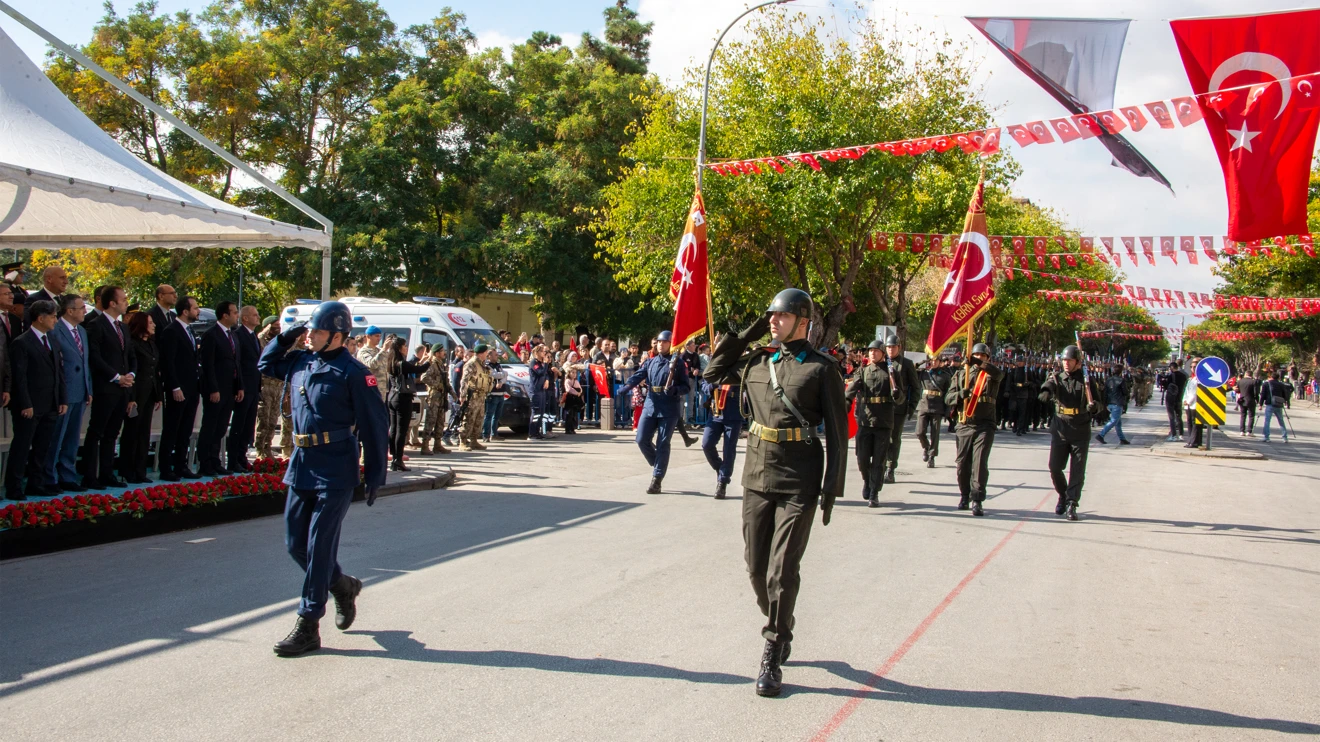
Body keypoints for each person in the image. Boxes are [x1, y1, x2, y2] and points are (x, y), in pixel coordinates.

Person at [703, 288, 847, 698]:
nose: (773, 321)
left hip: (799, 477)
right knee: (754, 566)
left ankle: (772, 647)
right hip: (757, 473)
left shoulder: (822, 370)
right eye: (771, 316)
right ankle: (782, 622)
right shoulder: (758, 360)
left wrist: (831, 490)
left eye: (782, 317)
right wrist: (747, 334)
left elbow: (837, 435)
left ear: (804, 323)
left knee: (781, 569)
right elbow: (714, 371)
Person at [259, 301, 388, 657]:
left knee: (318, 547)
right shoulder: (302, 361)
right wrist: (287, 334)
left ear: (336, 336)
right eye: (309, 331)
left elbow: (376, 426)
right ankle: (342, 584)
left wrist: (375, 473)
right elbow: (265, 363)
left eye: (316, 331)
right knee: (294, 544)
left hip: (336, 468)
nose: (310, 336)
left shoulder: (355, 373)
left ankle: (309, 622)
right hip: (302, 464)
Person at [5, 299, 65, 500]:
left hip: (50, 403)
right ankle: (14, 486)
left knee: (43, 447)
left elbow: (59, 372)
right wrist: (26, 403)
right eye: (53, 316)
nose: (56, 320)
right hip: (30, 405)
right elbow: (19, 377)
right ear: (41, 318)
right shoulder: (22, 342)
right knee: (22, 446)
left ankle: (35, 483)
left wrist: (61, 399)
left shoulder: (53, 341)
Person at [618, 329, 690, 495]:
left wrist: (675, 389)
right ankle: (659, 462)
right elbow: (638, 375)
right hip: (651, 403)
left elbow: (686, 386)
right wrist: (627, 386)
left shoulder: (678, 363)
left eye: (664, 342)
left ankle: (657, 479)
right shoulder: (650, 362)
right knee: (641, 439)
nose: (660, 345)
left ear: (671, 344)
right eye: (658, 342)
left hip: (669, 407)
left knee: (663, 443)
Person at [1037, 346, 1103, 521]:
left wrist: (1094, 407)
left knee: (1077, 470)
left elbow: (1099, 404)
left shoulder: (1087, 381)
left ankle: (1072, 503)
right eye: (1064, 361)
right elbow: (1050, 384)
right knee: (1054, 467)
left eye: (1070, 361)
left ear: (1078, 363)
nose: (1066, 364)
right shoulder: (1058, 378)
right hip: (1060, 427)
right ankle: (1063, 494)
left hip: (1080, 428)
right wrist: (1045, 391)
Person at [82, 286, 136, 489]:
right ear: (112, 303)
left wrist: (131, 374)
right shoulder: (96, 325)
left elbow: (130, 355)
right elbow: (94, 356)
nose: (126, 302)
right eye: (123, 299)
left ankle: (106, 473)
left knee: (113, 433)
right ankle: (90, 475)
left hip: (123, 388)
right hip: (106, 386)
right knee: (97, 431)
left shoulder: (123, 327)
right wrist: (115, 377)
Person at [945, 343, 1005, 516]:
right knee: (962, 465)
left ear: (987, 358)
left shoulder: (990, 375)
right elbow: (948, 398)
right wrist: (959, 395)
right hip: (964, 424)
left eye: (982, 356)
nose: (979, 357)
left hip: (985, 424)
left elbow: (999, 374)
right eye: (976, 355)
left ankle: (977, 499)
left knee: (979, 464)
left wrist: (979, 364)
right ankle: (965, 495)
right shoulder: (960, 374)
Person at [46, 294, 93, 492]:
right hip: (63, 392)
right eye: (81, 307)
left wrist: (88, 388)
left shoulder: (81, 331)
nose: (85, 311)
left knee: (72, 439)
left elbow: (85, 363)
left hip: (80, 391)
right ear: (70, 310)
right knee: (56, 437)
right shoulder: (55, 330)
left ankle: (68, 476)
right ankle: (50, 478)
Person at [846, 340, 898, 508]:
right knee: (862, 458)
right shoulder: (863, 371)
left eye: (876, 351)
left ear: (883, 353)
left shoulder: (891, 372)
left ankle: (874, 492)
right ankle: (867, 481)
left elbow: (901, 396)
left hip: (883, 421)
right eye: (870, 351)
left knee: (879, 460)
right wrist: (846, 400)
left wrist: (897, 394)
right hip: (865, 419)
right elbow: (853, 387)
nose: (873, 353)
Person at [158, 296, 203, 481]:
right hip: (178, 388)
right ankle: (166, 467)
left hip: (192, 387)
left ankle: (180, 464)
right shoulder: (172, 331)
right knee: (172, 429)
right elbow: (168, 362)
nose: (198, 311)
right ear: (185, 311)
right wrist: (174, 386)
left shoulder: (190, 330)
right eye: (195, 308)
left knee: (186, 429)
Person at [198, 302, 243, 476]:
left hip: (230, 388)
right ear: (224, 315)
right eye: (234, 312)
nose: (236, 315)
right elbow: (208, 365)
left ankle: (215, 461)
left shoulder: (232, 335)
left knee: (221, 427)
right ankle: (205, 463)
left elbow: (236, 363)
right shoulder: (212, 335)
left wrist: (239, 386)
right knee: (210, 426)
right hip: (216, 389)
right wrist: (213, 389)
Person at [120, 312, 162, 483]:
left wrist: (158, 395)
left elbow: (155, 371)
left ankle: (140, 470)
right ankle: (127, 470)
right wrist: (131, 397)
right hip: (136, 394)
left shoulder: (151, 344)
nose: (154, 325)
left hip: (150, 393)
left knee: (144, 432)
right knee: (132, 431)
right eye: (150, 323)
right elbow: (132, 370)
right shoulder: (133, 344)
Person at [700, 339, 744, 499]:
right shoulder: (714, 366)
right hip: (716, 411)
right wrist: (711, 386)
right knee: (706, 444)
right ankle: (720, 469)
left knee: (729, 449)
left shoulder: (740, 365)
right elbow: (704, 385)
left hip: (733, 412)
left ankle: (723, 482)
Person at [227, 306, 262, 472]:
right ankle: (233, 460)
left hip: (254, 387)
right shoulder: (239, 335)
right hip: (243, 387)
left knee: (248, 427)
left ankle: (242, 457)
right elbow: (239, 363)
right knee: (239, 425)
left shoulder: (253, 336)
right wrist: (239, 385)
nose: (258, 317)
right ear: (245, 318)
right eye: (254, 315)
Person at [384, 337, 428, 470]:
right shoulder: (401, 363)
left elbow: (413, 366)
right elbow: (418, 370)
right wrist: (429, 360)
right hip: (402, 398)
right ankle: (398, 459)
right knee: (401, 430)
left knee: (394, 429)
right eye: (404, 346)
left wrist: (422, 360)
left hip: (392, 396)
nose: (406, 348)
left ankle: (394, 458)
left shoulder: (392, 361)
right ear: (399, 348)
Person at [883, 333, 918, 483]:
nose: (890, 350)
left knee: (894, 439)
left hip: (899, 408)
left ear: (899, 347)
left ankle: (891, 468)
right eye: (888, 347)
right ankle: (881, 466)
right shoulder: (881, 362)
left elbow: (916, 387)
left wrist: (911, 407)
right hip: (882, 407)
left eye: (893, 347)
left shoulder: (907, 364)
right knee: (882, 438)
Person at [254, 318, 283, 458]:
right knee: (264, 420)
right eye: (275, 326)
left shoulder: (279, 342)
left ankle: (268, 448)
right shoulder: (261, 340)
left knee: (272, 421)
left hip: (278, 386)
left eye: (279, 325)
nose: (278, 328)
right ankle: (260, 449)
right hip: (265, 385)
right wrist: (264, 333)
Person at [916, 356, 951, 468]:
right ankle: (926, 447)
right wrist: (923, 361)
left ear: (940, 362)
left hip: (937, 407)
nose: (933, 362)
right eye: (931, 360)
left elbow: (948, 394)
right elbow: (912, 369)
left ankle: (932, 456)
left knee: (935, 434)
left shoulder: (945, 376)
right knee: (919, 432)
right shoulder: (923, 373)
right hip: (924, 405)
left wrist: (947, 410)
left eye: (936, 360)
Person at [418, 344, 453, 455]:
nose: (444, 353)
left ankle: (437, 445)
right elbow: (424, 377)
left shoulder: (441, 364)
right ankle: (425, 446)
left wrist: (453, 393)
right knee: (430, 421)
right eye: (442, 351)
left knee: (440, 422)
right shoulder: (432, 364)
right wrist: (437, 385)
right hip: (434, 397)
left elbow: (446, 382)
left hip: (442, 397)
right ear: (437, 353)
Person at [458, 344, 494, 451]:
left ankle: (474, 441)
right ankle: (463, 442)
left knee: (479, 419)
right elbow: (464, 380)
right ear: (482, 353)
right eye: (486, 353)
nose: (487, 355)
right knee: (469, 418)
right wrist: (463, 395)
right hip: (472, 396)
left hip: (481, 396)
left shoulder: (482, 365)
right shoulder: (471, 364)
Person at [1095, 363, 1131, 445]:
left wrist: (1105, 403)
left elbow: (1105, 392)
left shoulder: (1108, 380)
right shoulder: (1121, 380)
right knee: (1114, 421)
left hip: (1110, 403)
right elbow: (1125, 392)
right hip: (1117, 403)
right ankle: (1101, 435)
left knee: (1118, 422)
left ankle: (1122, 439)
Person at [355, 326, 388, 401]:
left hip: (382, 389)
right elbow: (372, 364)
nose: (379, 338)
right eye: (376, 336)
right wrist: (384, 350)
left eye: (380, 336)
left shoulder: (379, 350)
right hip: (370, 388)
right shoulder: (363, 351)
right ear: (368, 336)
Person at [528, 344, 553, 439]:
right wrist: (546, 364)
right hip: (535, 390)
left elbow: (546, 373)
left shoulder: (542, 362)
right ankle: (532, 433)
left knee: (541, 412)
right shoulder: (534, 362)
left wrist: (546, 380)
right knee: (536, 412)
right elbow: (540, 372)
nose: (544, 353)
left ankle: (537, 431)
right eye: (542, 351)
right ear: (537, 352)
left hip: (542, 390)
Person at [1261, 370, 1290, 442]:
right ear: (1278, 378)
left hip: (1270, 403)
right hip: (1279, 404)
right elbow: (1285, 394)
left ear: (1271, 377)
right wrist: (1285, 402)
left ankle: (1266, 437)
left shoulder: (1266, 384)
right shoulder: (1281, 384)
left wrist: (1261, 404)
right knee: (1281, 421)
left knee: (1267, 421)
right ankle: (1284, 437)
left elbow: (1263, 394)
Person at [1163, 360, 1188, 442]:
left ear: (1171, 368)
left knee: (1171, 418)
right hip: (1180, 397)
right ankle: (1181, 435)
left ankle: (1174, 435)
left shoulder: (1171, 376)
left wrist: (1163, 382)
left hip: (1171, 399)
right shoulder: (1184, 376)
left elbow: (1166, 387)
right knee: (1179, 417)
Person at [1236, 369, 1259, 436]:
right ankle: (1249, 431)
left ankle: (1242, 431)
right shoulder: (1253, 382)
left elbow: (1237, 391)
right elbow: (1256, 392)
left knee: (1243, 415)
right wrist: (1257, 400)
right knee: (1251, 416)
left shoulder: (1240, 381)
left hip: (1242, 400)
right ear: (1251, 375)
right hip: (1251, 400)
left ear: (1246, 374)